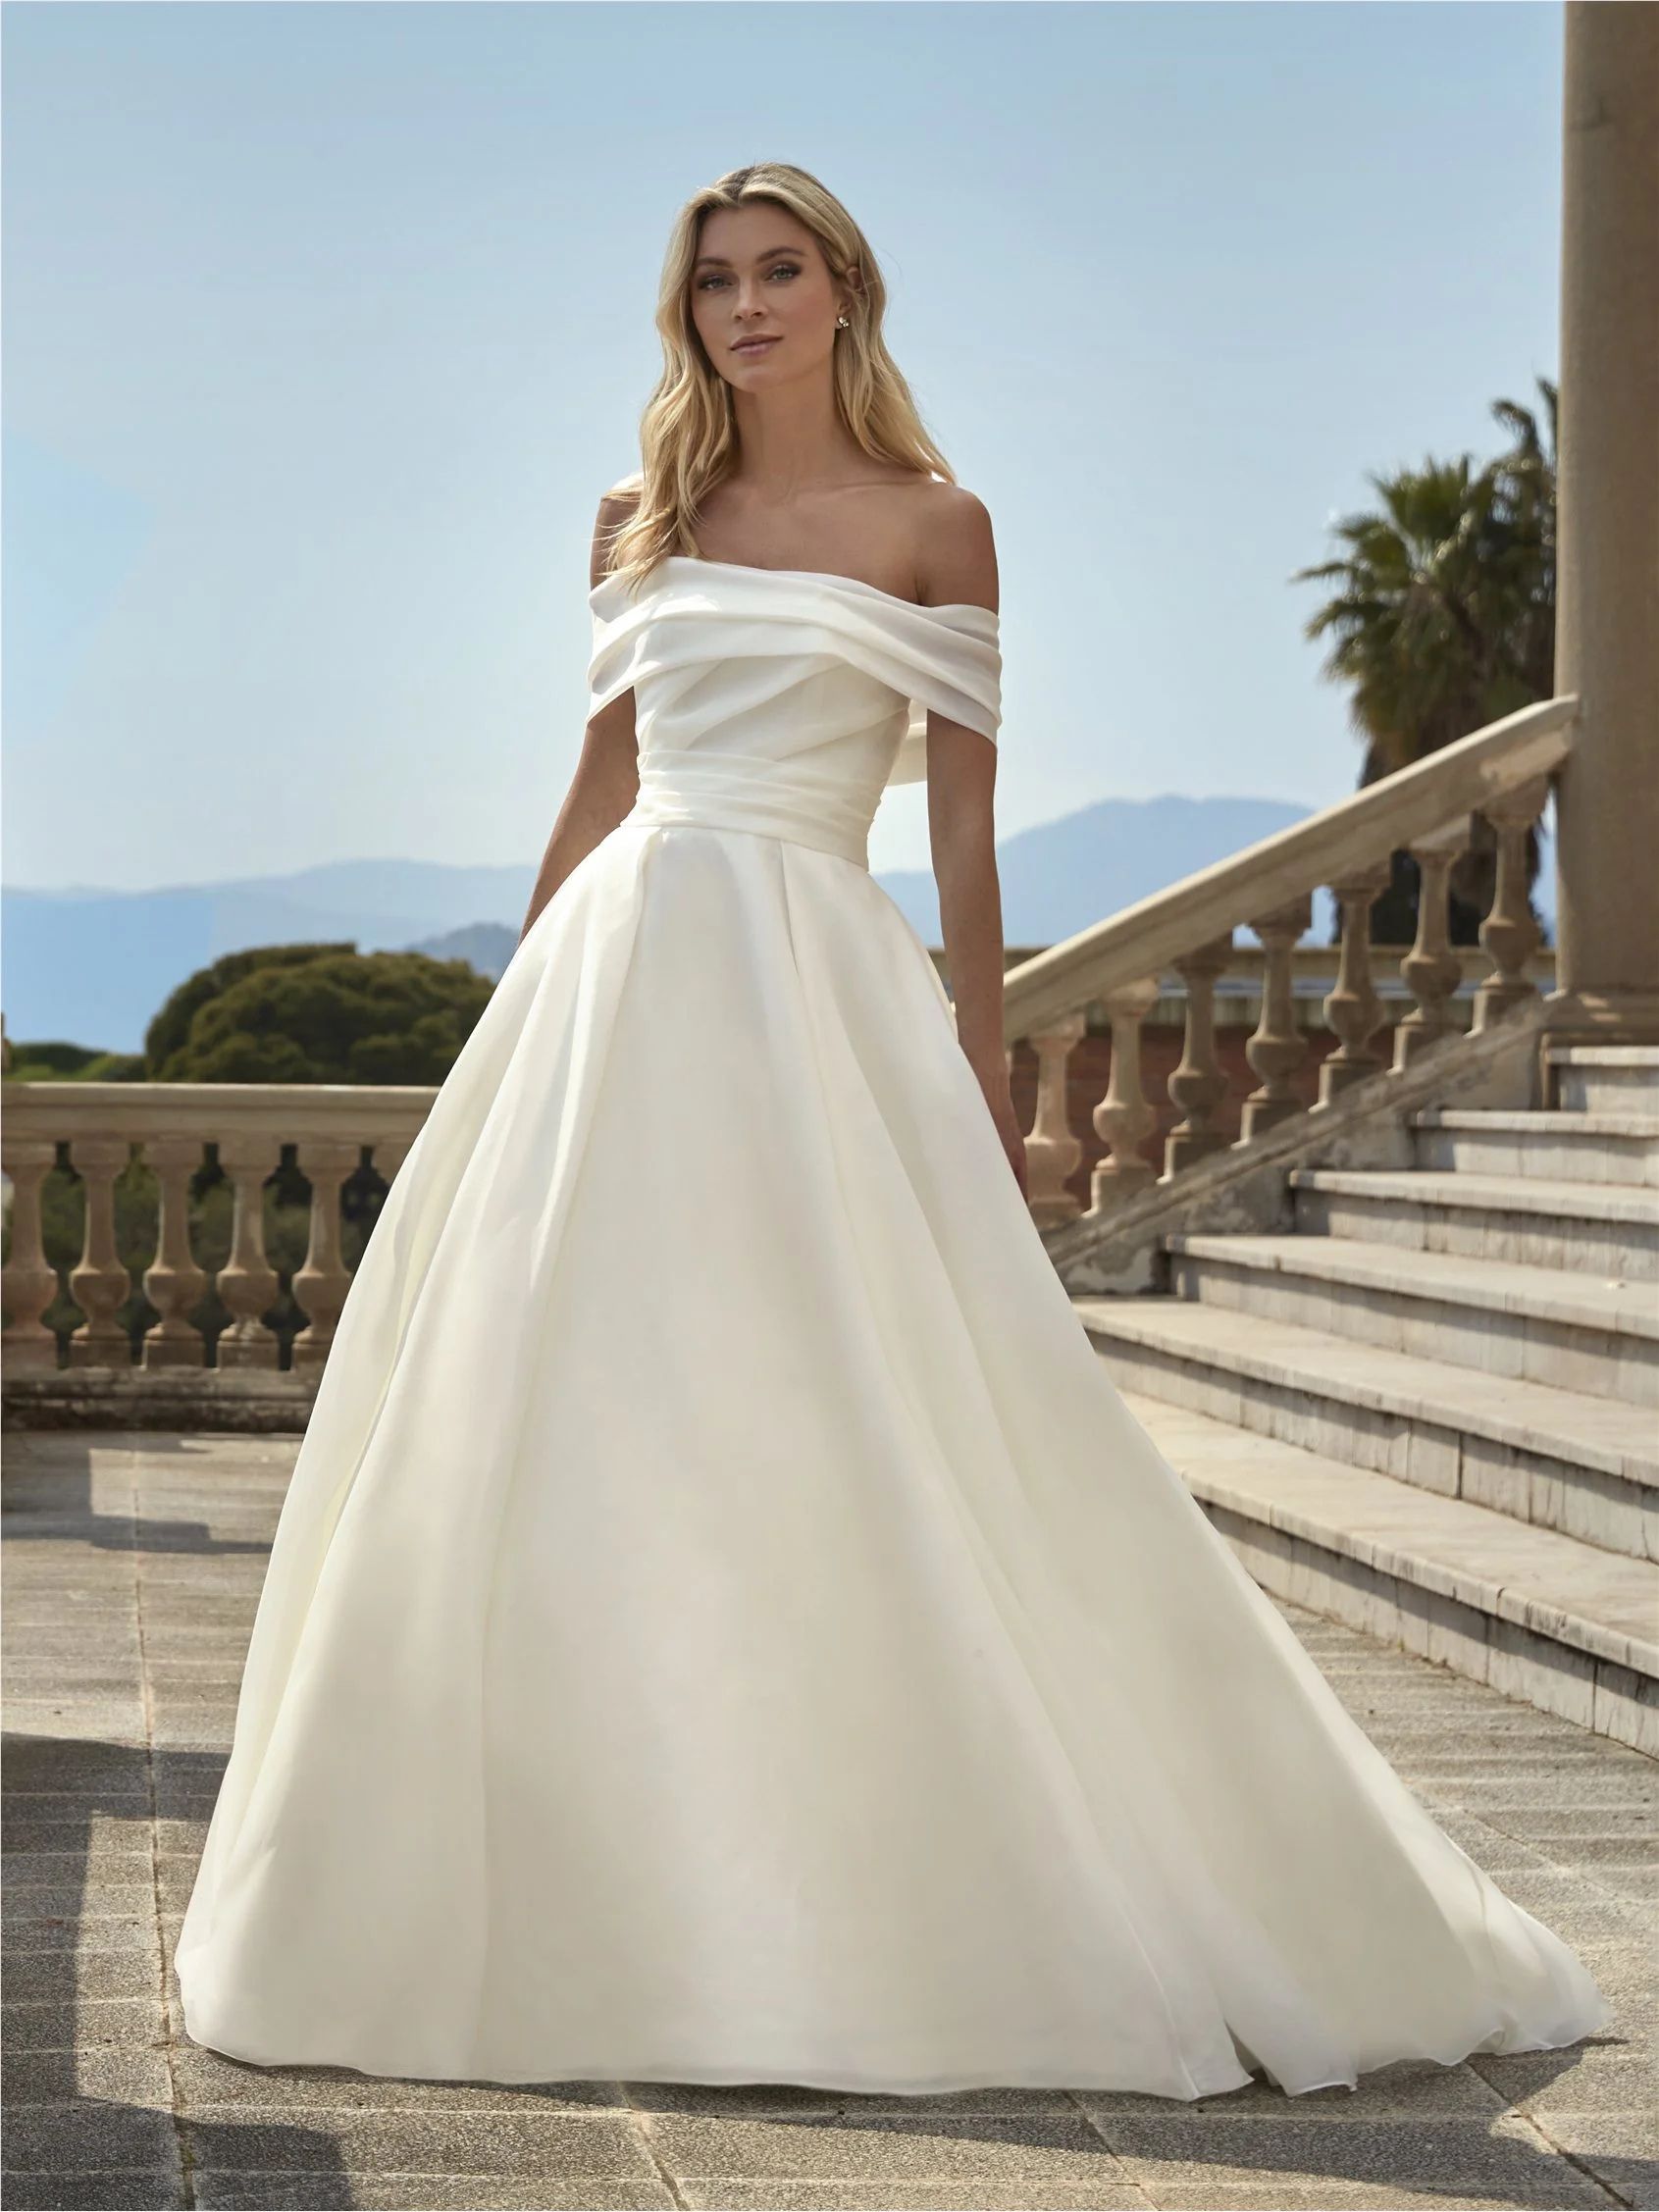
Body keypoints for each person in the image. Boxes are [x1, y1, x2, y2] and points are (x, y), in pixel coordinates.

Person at [175, 161, 1614, 2100]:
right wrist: (513, 1012)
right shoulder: (641, 519)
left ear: (848, 291)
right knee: (571, 1421)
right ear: (685, 316)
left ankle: (897, 1892)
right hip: (617, 993)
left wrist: (983, 1075)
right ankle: (583, 1889)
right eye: (712, 285)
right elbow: (599, 780)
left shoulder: (943, 529)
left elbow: (959, 839)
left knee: (836, 1407)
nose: (745, 309)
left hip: (807, 989)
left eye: (779, 273)